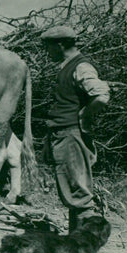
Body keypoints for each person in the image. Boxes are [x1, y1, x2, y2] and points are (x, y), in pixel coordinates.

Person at [41, 25, 110, 232]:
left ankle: (83, 246)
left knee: (79, 193)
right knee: (72, 189)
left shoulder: (81, 67)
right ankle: (75, 240)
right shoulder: (67, 66)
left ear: (60, 45)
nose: (48, 52)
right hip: (63, 133)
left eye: (49, 48)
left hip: (71, 134)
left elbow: (102, 96)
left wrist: (84, 114)